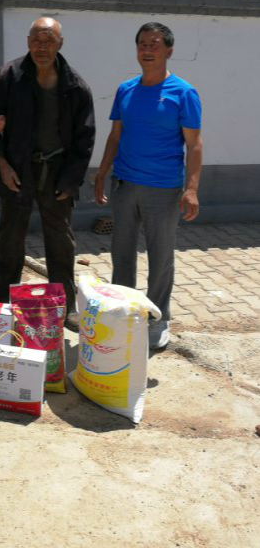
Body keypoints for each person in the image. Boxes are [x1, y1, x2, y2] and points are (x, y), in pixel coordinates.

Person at [94, 22, 202, 350]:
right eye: (142, 44)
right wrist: (101, 172)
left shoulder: (183, 93)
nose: (147, 50)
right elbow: (115, 135)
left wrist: (191, 188)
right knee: (122, 252)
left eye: (154, 44)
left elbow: (194, 144)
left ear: (169, 50)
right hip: (125, 184)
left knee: (160, 256)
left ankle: (158, 319)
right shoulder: (126, 90)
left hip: (163, 188)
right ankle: (124, 313)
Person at [0, 17, 95, 331]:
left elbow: (85, 138)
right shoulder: (10, 76)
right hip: (17, 169)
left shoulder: (75, 85)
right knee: (9, 241)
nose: (41, 47)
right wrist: (2, 164)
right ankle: (1, 304)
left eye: (49, 40)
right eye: (36, 39)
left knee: (61, 243)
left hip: (57, 172)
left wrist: (71, 180)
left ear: (60, 43)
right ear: (27, 41)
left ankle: (65, 306)